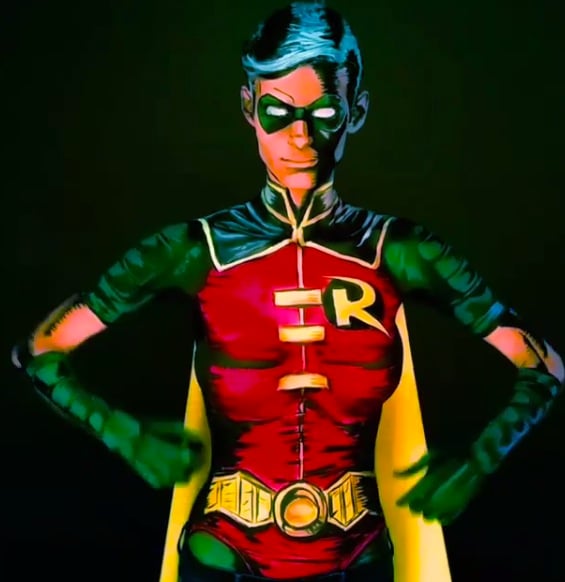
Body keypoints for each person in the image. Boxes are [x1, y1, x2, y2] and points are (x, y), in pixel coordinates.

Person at [12, 2, 563, 581]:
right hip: (224, 552)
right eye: (278, 112)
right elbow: (41, 350)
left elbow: (542, 363)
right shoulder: (191, 249)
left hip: (358, 555)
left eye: (324, 113)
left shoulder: (402, 250)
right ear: (248, 108)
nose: (301, 136)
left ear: (356, 111)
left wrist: (480, 460)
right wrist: (124, 435)